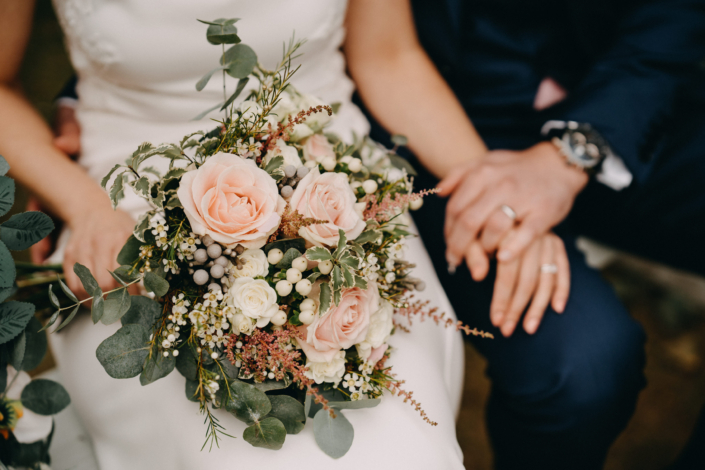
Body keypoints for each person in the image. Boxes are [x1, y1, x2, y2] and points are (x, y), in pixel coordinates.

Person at [0, 0, 569, 468]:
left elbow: (391, 57)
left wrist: (498, 199)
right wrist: (86, 205)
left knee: (399, 446)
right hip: (128, 202)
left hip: (332, 184)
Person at [356, 0, 705, 468]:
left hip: (615, 87)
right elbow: (386, 56)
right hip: (426, 124)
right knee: (583, 367)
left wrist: (576, 150)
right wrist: (502, 206)